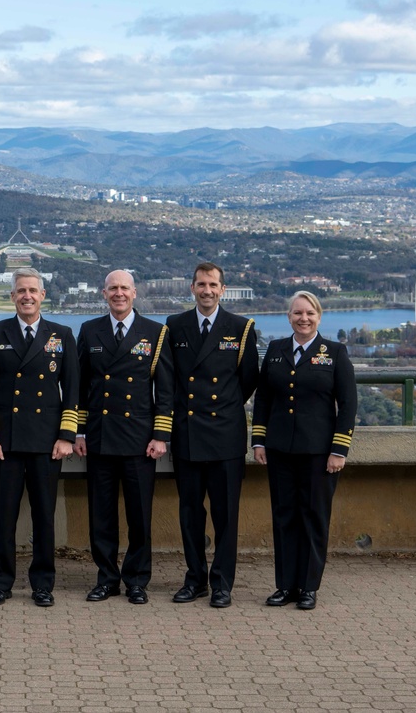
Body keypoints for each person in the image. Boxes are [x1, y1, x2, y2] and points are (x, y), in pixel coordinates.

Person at [0, 267, 79, 607]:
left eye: (33, 290)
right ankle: (1, 583)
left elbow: (72, 392)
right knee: (3, 517)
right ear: (13, 296)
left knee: (43, 517)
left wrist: (67, 435)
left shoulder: (61, 334)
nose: (27, 296)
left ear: (43, 295)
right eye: (21, 291)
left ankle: (42, 584)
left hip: (47, 443)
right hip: (4, 443)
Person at [252, 290, 357, 611]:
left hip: (318, 453)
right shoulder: (275, 350)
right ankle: (285, 586)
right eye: (297, 313)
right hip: (280, 450)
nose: (303, 318)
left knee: (313, 518)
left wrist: (339, 450)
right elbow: (264, 399)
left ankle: (308, 587)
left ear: (319, 317)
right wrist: (259, 440)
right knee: (284, 518)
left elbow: (348, 405)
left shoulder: (335, 353)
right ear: (289, 317)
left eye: (310, 313)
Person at [74, 270, 173, 605]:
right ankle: (106, 579)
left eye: (124, 288)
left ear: (134, 293)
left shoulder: (156, 333)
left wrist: (161, 435)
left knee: (139, 516)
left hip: (139, 439)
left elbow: (165, 389)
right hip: (100, 437)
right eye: (112, 288)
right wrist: (80, 430)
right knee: (101, 516)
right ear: (104, 293)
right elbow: (80, 385)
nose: (119, 294)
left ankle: (136, 580)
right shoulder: (90, 331)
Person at [165, 261, 258, 609]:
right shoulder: (175, 326)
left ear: (223, 289)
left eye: (213, 285)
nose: (207, 290)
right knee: (190, 513)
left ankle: (222, 584)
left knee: (225, 516)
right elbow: (170, 380)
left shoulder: (242, 327)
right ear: (192, 288)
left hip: (225, 436)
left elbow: (248, 380)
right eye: (201, 284)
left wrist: (224, 410)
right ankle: (195, 580)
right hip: (187, 433)